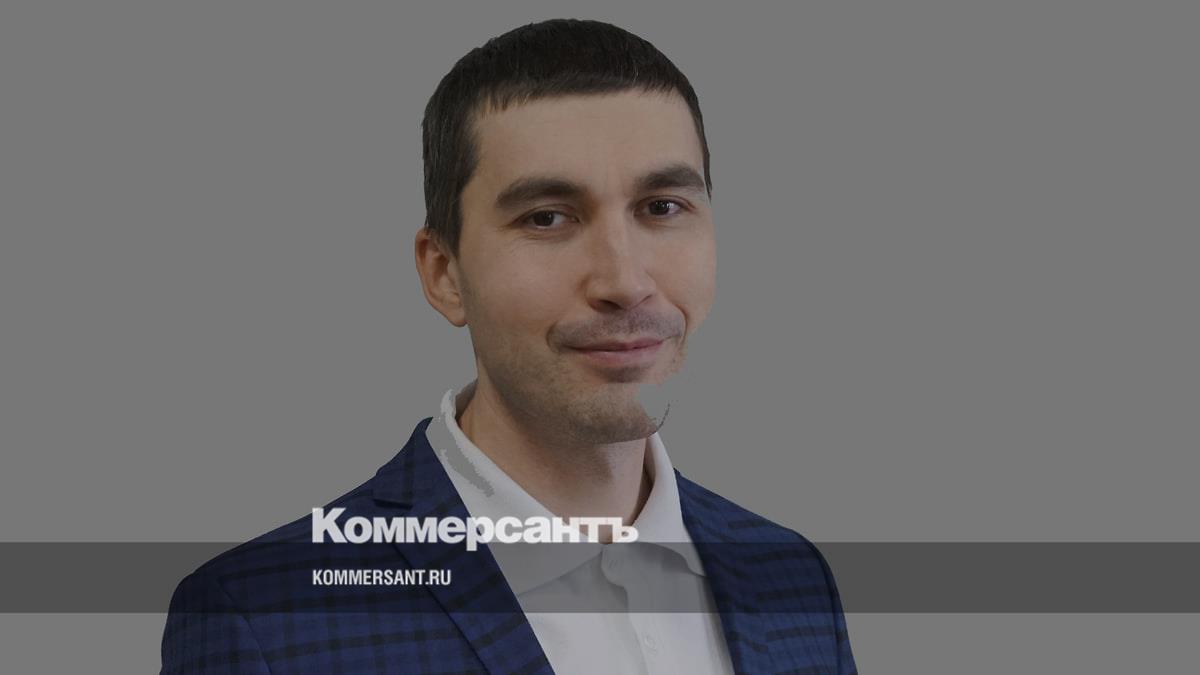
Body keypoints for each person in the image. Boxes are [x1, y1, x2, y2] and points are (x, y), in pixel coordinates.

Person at [161, 18, 856, 675]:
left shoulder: (790, 576)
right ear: (444, 273)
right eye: (547, 217)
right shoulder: (265, 617)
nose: (625, 282)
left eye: (662, 207)